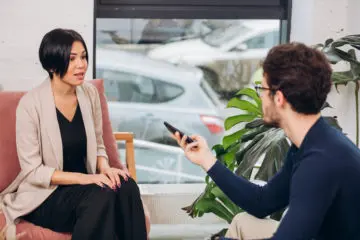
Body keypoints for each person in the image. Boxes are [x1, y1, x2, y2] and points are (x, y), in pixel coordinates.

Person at [173, 42, 360, 240]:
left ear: (278, 98)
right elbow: (262, 202)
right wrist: (206, 160)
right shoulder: (314, 142)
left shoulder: (318, 163)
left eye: (261, 89)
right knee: (243, 222)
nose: (260, 96)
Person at [1, 28, 147, 240]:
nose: (81, 65)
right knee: (101, 196)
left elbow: (98, 144)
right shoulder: (30, 105)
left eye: (83, 56)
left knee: (126, 186)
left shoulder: (89, 94)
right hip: (46, 195)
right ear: (52, 65)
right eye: (71, 59)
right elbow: (34, 172)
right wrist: (87, 179)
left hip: (88, 187)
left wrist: (105, 169)